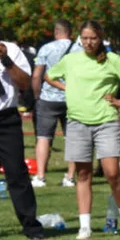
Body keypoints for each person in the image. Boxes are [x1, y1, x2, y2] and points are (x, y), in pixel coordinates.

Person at [45, 20, 120, 240]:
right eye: (85, 38)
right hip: (77, 122)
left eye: (93, 38)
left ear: (100, 38)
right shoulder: (71, 60)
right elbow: (49, 75)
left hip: (105, 122)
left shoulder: (111, 60)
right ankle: (85, 225)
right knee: (83, 174)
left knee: (113, 173)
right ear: (79, 38)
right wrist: (66, 87)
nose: (89, 42)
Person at [0, 13, 44, 240]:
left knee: (16, 173)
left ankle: (30, 225)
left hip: (5, 119)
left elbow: (25, 83)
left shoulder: (9, 50)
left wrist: (5, 59)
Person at [30, 19, 78, 188]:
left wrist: (36, 96)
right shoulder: (79, 49)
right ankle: (70, 177)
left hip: (48, 98)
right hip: (72, 97)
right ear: (70, 33)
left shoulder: (46, 48)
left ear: (56, 32)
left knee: (43, 137)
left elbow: (37, 75)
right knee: (72, 138)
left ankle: (41, 176)